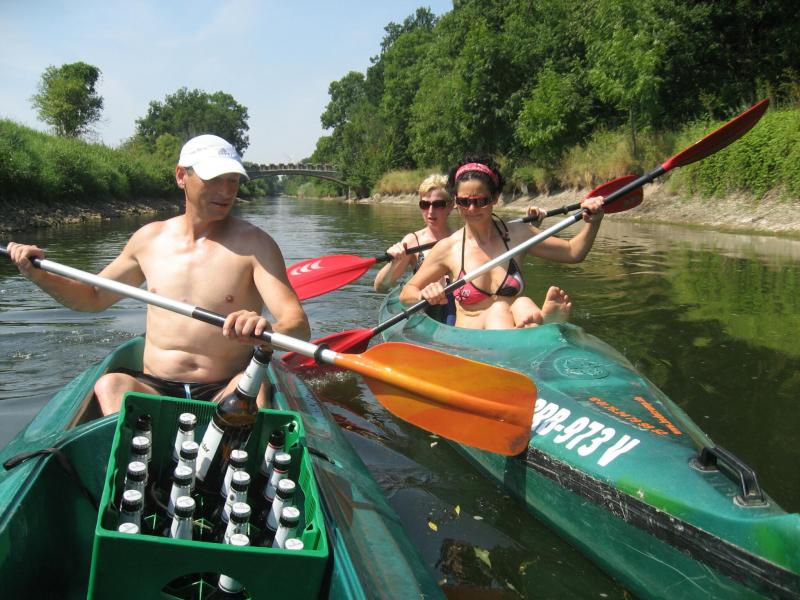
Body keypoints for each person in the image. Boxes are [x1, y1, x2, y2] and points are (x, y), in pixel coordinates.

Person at [7, 134, 309, 415]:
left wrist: (266, 330)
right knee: (110, 385)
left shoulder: (256, 245)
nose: (227, 191)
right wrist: (39, 276)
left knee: (254, 387)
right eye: (214, 179)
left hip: (226, 388)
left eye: (233, 180)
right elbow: (93, 297)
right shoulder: (148, 240)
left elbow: (297, 326)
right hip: (155, 387)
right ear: (181, 176)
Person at [400, 155, 604, 330]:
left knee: (523, 303)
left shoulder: (518, 235)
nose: (472, 209)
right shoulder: (447, 248)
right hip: (469, 340)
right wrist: (424, 294)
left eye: (480, 201)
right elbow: (407, 293)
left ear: (495, 198)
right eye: (464, 201)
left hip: (511, 324)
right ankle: (542, 325)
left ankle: (539, 325)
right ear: (455, 202)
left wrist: (593, 222)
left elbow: (572, 252)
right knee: (499, 309)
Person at [373, 174, 454, 293]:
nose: (430, 211)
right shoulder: (412, 241)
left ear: (451, 206)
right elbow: (380, 288)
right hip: (423, 303)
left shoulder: (462, 238)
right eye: (425, 205)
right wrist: (394, 264)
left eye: (438, 205)